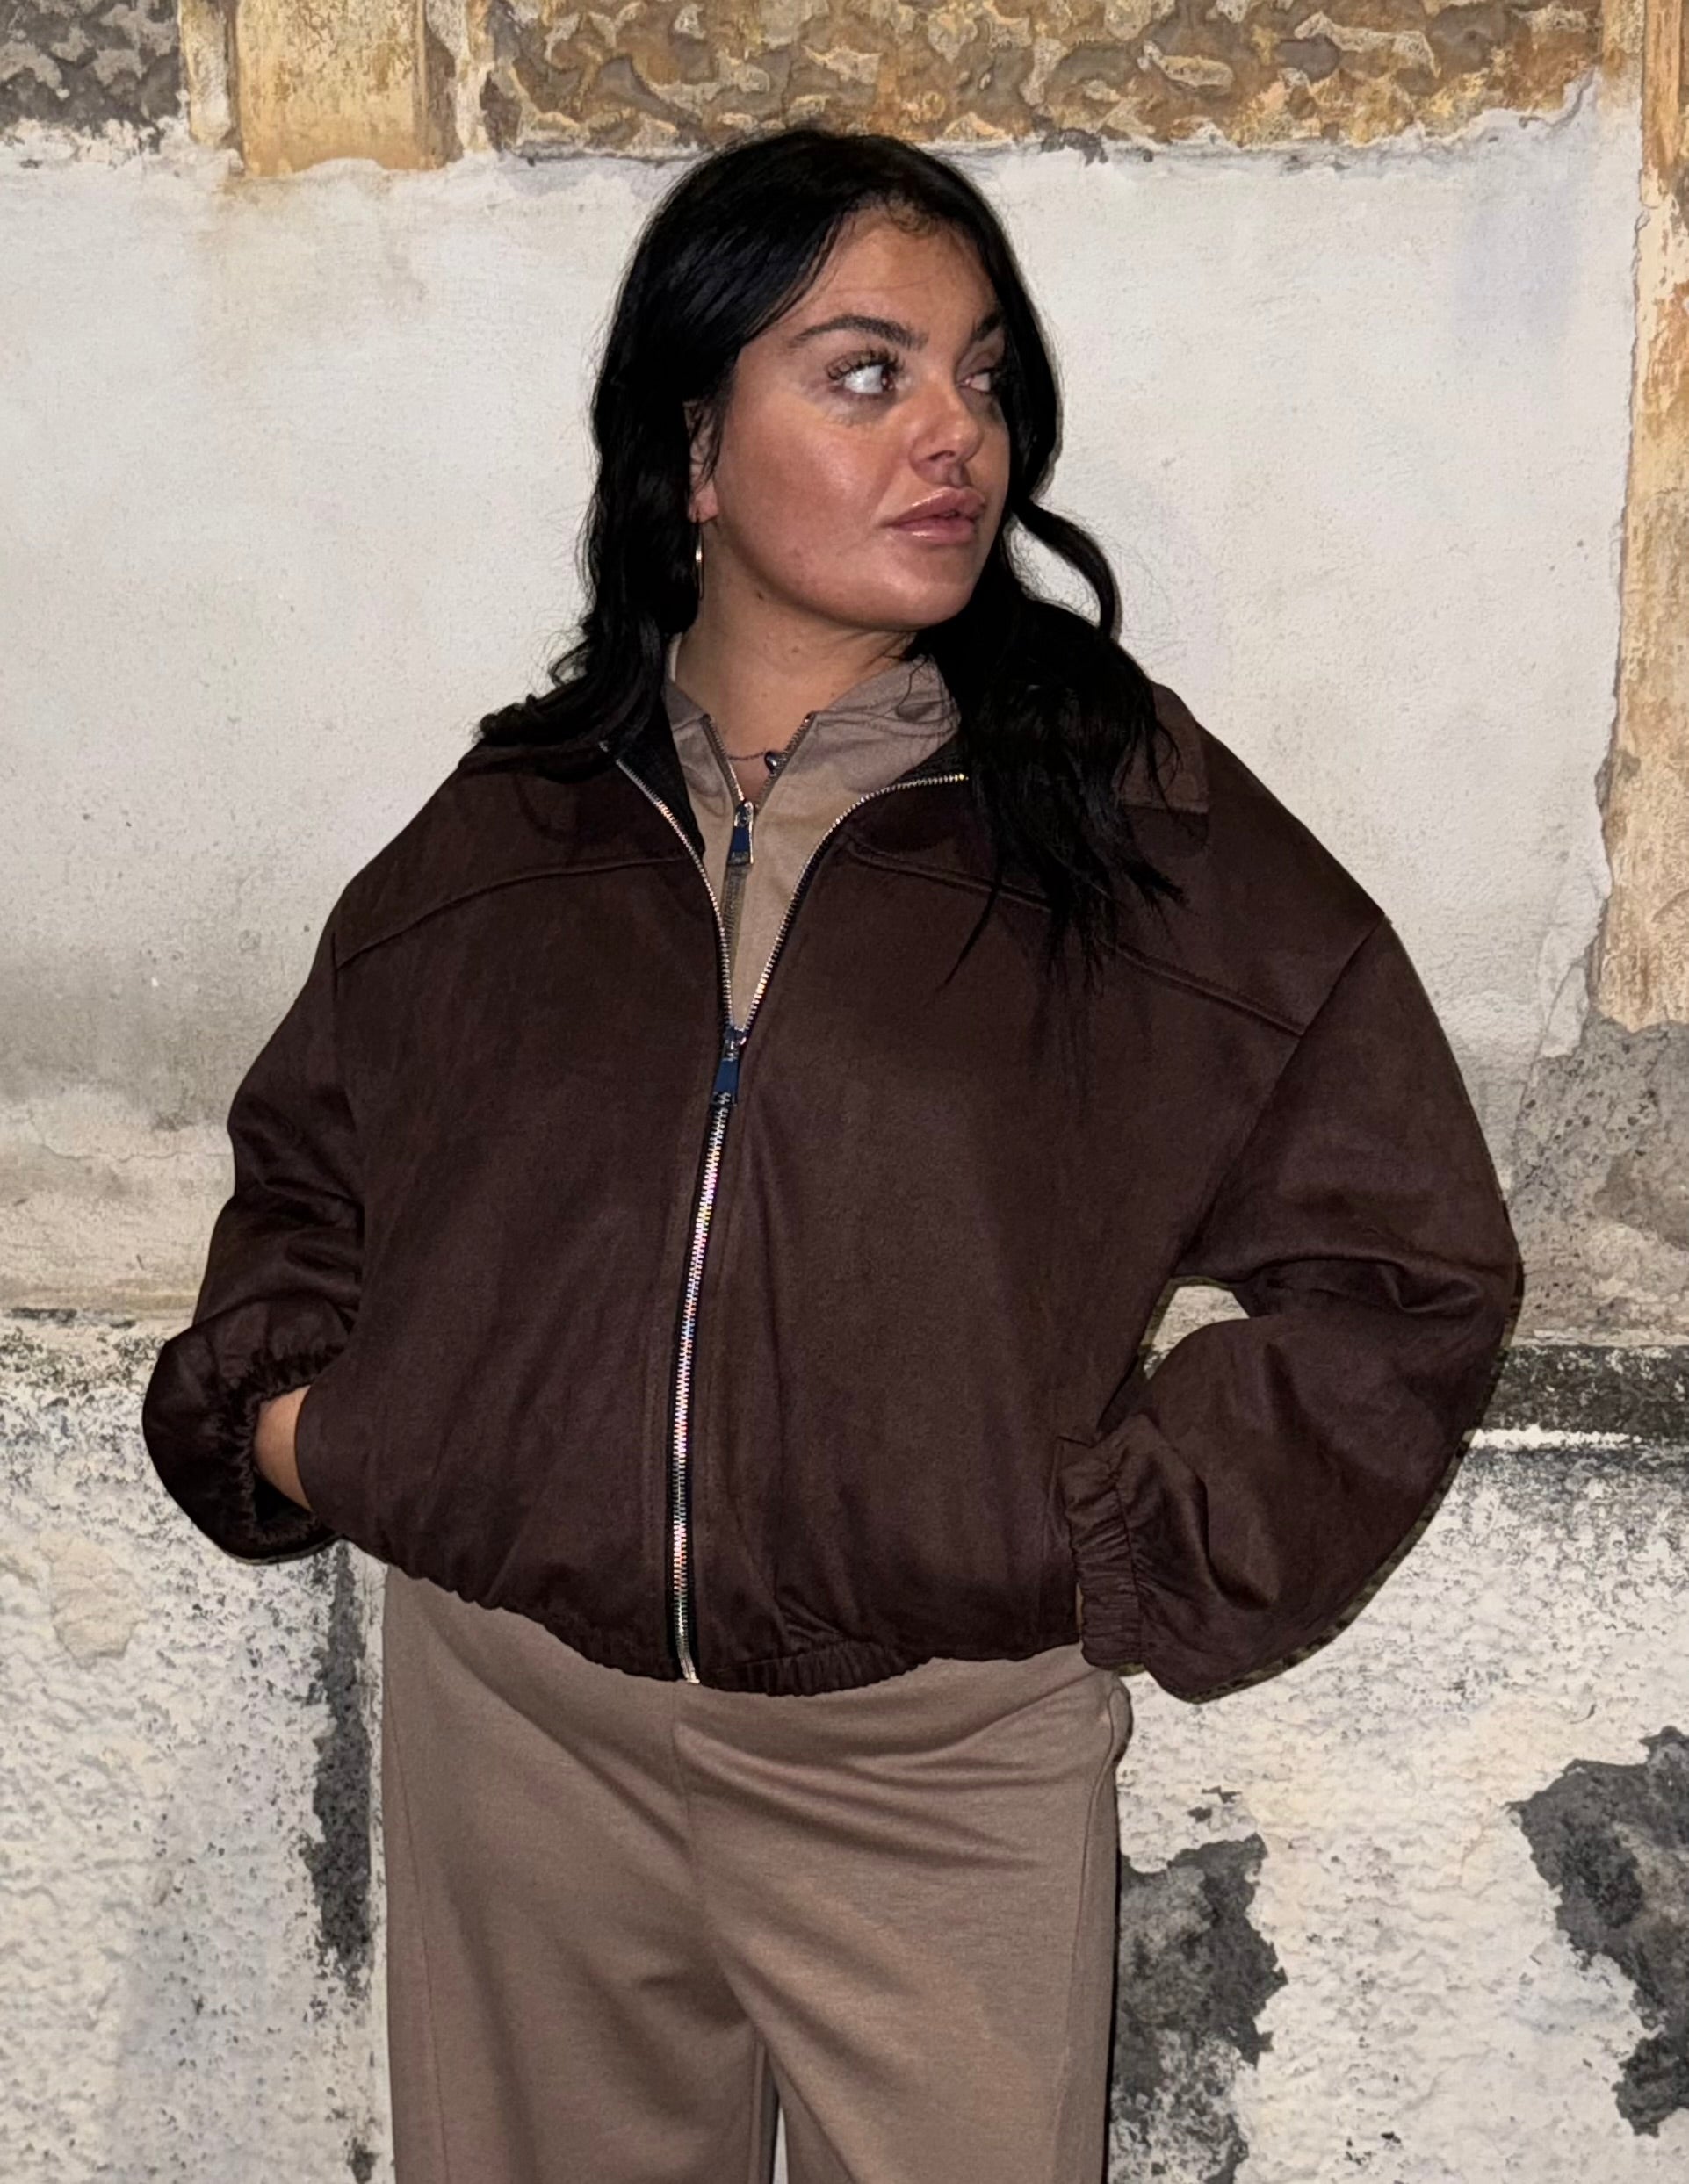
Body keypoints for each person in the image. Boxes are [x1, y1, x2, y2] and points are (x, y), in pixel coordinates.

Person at [141, 124, 1523, 2184]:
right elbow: (306, 1178)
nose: (950, 434)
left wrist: (1105, 1536)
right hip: (521, 1734)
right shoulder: (514, 828)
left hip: (932, 1762)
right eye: (865, 372)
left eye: (979, 377)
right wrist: (312, 1430)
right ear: (693, 450)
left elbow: (1405, 1268)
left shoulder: (1134, 828)